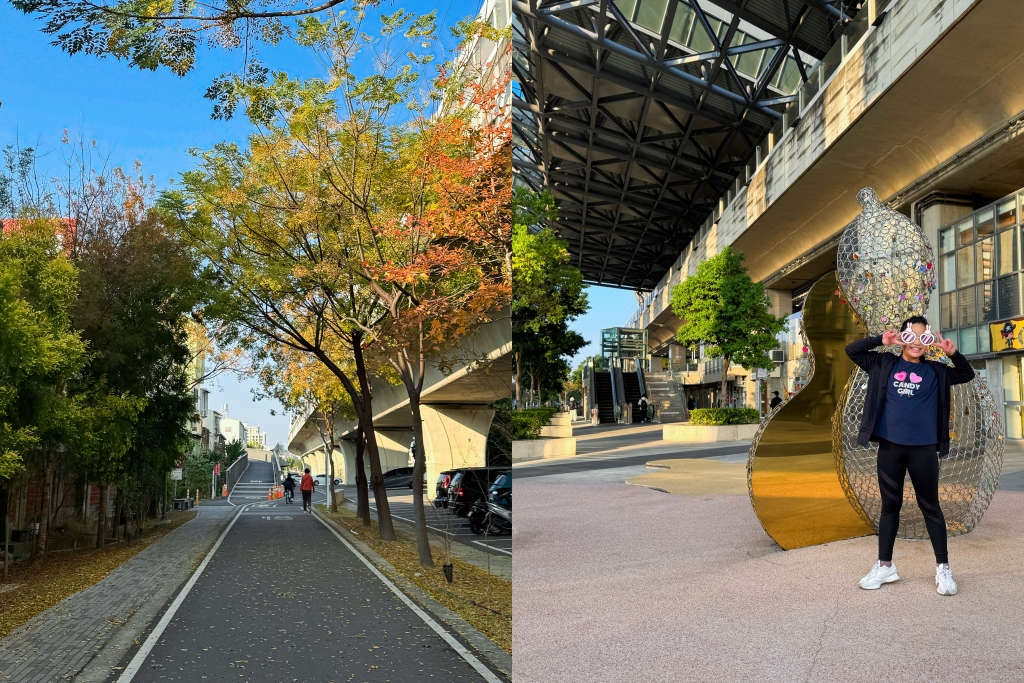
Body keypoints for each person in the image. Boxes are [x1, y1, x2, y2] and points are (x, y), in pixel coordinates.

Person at [845, 316, 974, 596]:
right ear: (903, 337)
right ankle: (885, 565)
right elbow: (852, 351)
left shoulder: (937, 372)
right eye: (912, 336)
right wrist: (881, 340)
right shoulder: (882, 363)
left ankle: (943, 568)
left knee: (931, 507)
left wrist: (954, 354)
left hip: (924, 450)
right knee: (890, 507)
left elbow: (966, 374)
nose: (917, 342)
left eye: (923, 337)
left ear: (929, 343)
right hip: (891, 448)